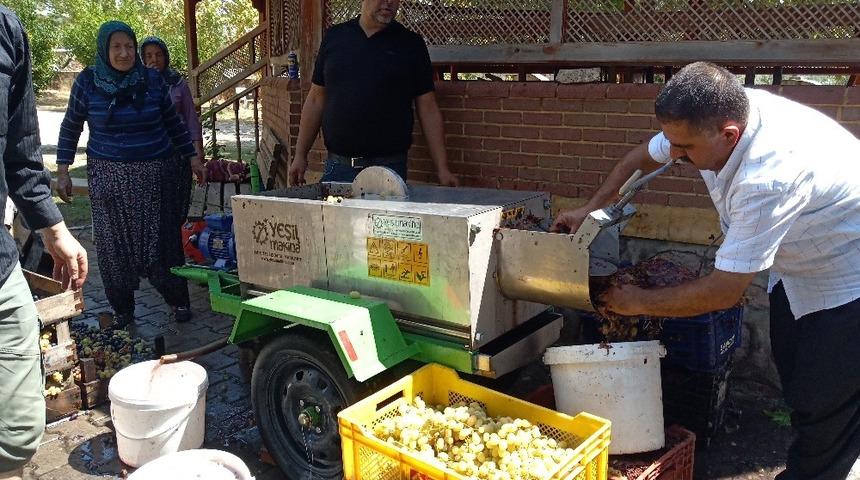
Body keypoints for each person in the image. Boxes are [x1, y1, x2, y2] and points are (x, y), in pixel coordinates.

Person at [553, 62, 860, 480]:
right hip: (800, 269)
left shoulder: (766, 178)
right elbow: (641, 157)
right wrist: (591, 209)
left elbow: (723, 292)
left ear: (729, 134)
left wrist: (634, 302)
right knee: (803, 386)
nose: (674, 155)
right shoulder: (715, 115)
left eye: (685, 149)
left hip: (848, 281)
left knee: (825, 409)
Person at [55, 21, 205, 328]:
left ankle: (178, 301)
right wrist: (62, 170)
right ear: (104, 49)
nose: (124, 53)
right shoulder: (87, 82)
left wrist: (192, 158)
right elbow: (71, 126)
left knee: (161, 244)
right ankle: (122, 308)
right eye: (116, 47)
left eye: (129, 46)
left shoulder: (151, 80)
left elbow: (173, 124)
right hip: (107, 177)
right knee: (114, 247)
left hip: (154, 176)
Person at [0, 6, 88, 479]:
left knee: (16, 438)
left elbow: (19, 152)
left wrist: (54, 230)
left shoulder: (7, 30)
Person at [287, 0, 458, 187]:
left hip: (389, 171)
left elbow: (428, 107)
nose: (389, 3)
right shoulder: (335, 38)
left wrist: (442, 169)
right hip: (339, 167)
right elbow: (315, 99)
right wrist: (300, 155)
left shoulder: (411, 44)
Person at [140, 36, 204, 226]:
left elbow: (192, 120)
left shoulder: (178, 84)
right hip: (149, 154)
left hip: (178, 153)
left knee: (177, 203)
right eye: (149, 55)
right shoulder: (137, 84)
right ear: (142, 59)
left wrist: (197, 151)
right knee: (154, 205)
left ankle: (176, 244)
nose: (154, 60)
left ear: (165, 57)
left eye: (159, 55)